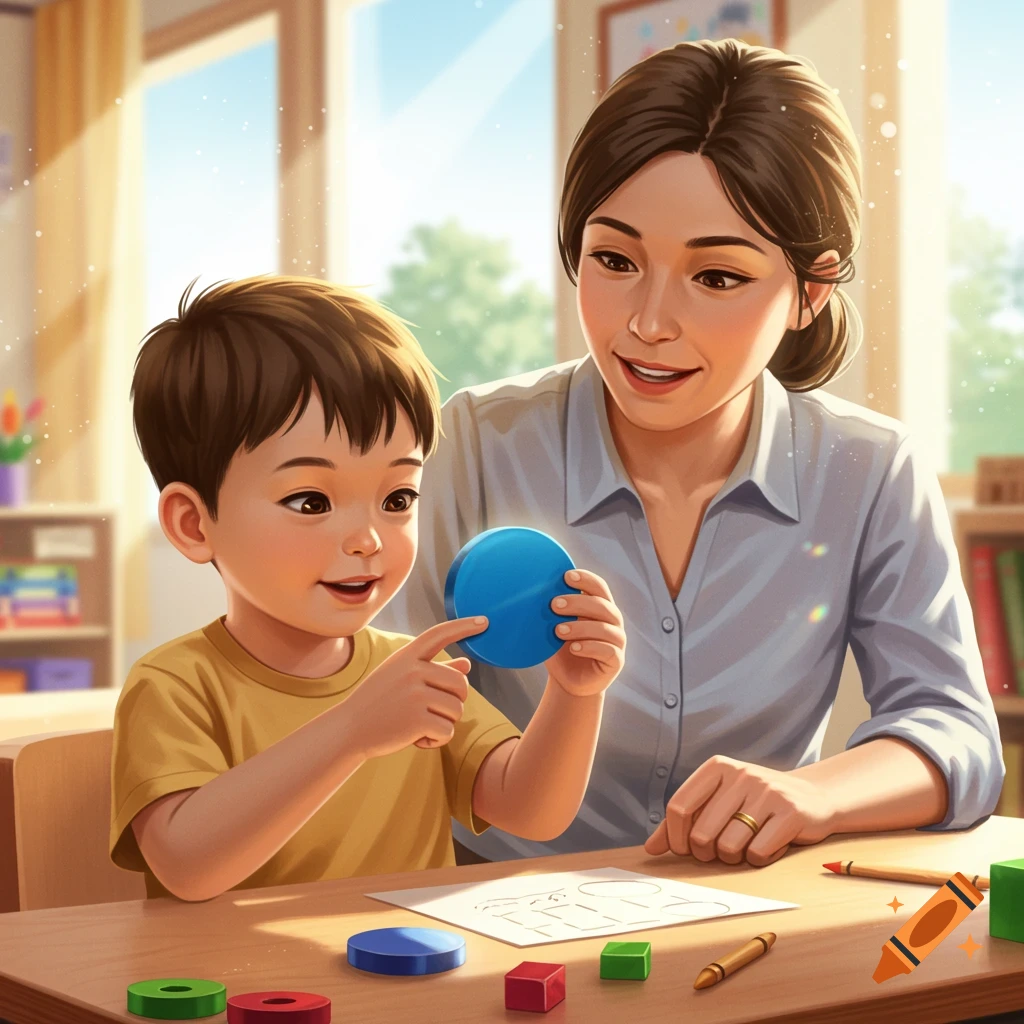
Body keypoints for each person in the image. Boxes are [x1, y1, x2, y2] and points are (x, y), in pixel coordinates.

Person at [377, 39, 1003, 868]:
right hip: (494, 922)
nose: (648, 323)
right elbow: (380, 702)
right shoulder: (478, 444)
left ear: (810, 292)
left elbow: (954, 731)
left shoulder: (869, 469)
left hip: (749, 918)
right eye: (615, 260)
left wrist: (813, 793)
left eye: (715, 277)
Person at [108, 275, 625, 901]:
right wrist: (352, 730)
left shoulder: (413, 671)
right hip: (246, 994)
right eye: (311, 500)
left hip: (410, 980)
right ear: (195, 525)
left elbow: (532, 811)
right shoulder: (175, 686)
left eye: (397, 498)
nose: (368, 539)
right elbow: (188, 868)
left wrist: (575, 694)